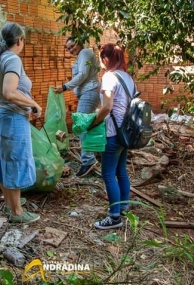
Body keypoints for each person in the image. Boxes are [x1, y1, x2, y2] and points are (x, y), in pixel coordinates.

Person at [0, 22, 41, 223]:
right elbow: (10, 92)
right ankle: (17, 212)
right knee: (17, 160)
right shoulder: (13, 59)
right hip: (11, 116)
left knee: (7, 159)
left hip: (2, 113)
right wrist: (33, 104)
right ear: (20, 40)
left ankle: (10, 204)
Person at [87, 43, 134, 229]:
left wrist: (93, 122)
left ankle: (114, 218)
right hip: (126, 133)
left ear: (106, 59)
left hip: (113, 133)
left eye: (100, 58)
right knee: (120, 171)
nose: (100, 62)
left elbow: (107, 107)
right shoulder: (127, 77)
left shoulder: (109, 77)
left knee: (108, 173)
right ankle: (123, 207)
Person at [54, 37, 101, 177]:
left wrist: (65, 87)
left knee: (81, 127)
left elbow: (83, 74)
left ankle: (88, 161)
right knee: (88, 127)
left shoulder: (85, 52)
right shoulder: (81, 55)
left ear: (79, 42)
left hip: (89, 93)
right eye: (68, 48)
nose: (71, 50)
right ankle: (94, 155)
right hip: (87, 94)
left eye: (72, 46)